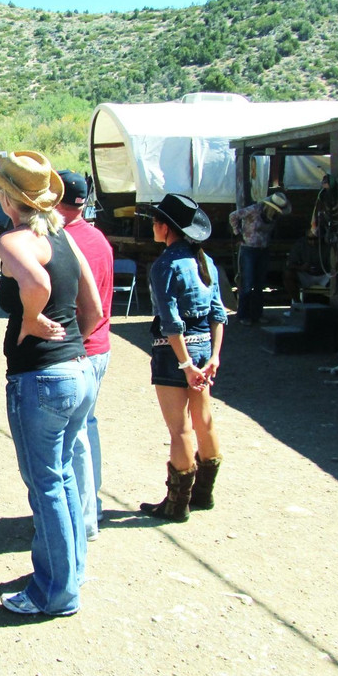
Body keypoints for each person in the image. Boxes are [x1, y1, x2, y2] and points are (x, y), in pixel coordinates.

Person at [0, 151, 102, 618]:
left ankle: (54, 592)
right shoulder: (62, 238)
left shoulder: (13, 240)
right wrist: (61, 329)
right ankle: (70, 571)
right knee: (65, 477)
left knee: (46, 485)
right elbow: (93, 308)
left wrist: (31, 319)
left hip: (41, 377)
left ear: (9, 198)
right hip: (77, 368)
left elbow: (34, 281)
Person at [138, 193, 227, 522]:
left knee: (180, 429)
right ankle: (203, 495)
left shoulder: (164, 266)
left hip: (174, 353)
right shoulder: (205, 262)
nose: (152, 227)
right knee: (204, 421)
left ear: (164, 227)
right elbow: (218, 313)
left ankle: (177, 504)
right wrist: (213, 356)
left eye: (154, 223)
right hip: (204, 347)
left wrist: (186, 363)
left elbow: (171, 322)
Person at [55, 170, 114, 541]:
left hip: (80, 347)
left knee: (72, 437)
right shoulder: (97, 238)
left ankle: (83, 519)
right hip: (99, 346)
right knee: (86, 429)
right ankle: (91, 504)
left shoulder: (62, 242)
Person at [229, 191, 291, 325]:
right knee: (247, 283)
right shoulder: (255, 210)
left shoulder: (273, 217)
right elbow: (234, 216)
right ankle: (243, 315)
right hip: (248, 248)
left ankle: (257, 314)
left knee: (260, 284)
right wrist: (237, 232)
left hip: (263, 249)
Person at [283, 219, 330, 305]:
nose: (313, 242)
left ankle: (333, 305)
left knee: (337, 278)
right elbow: (290, 264)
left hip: (324, 275)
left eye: (316, 239)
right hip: (306, 274)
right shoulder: (300, 245)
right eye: (310, 239)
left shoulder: (328, 245)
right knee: (288, 275)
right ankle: (298, 304)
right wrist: (301, 267)